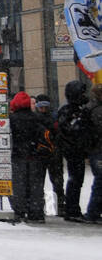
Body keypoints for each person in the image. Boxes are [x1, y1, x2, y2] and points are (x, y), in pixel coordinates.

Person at [55, 80, 96, 220]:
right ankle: (71, 210)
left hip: (76, 149)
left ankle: (72, 209)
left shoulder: (77, 108)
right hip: (73, 151)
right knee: (75, 180)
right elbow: (70, 130)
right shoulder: (69, 110)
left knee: (77, 180)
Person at [9, 91, 51, 223]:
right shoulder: (36, 118)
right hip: (34, 156)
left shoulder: (12, 119)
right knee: (36, 185)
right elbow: (45, 134)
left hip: (18, 156)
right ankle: (36, 212)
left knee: (19, 185)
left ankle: (20, 210)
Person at [85, 84, 102, 223]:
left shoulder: (90, 108)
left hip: (95, 150)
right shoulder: (96, 110)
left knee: (99, 181)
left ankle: (94, 212)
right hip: (98, 150)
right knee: (100, 181)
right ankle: (93, 212)